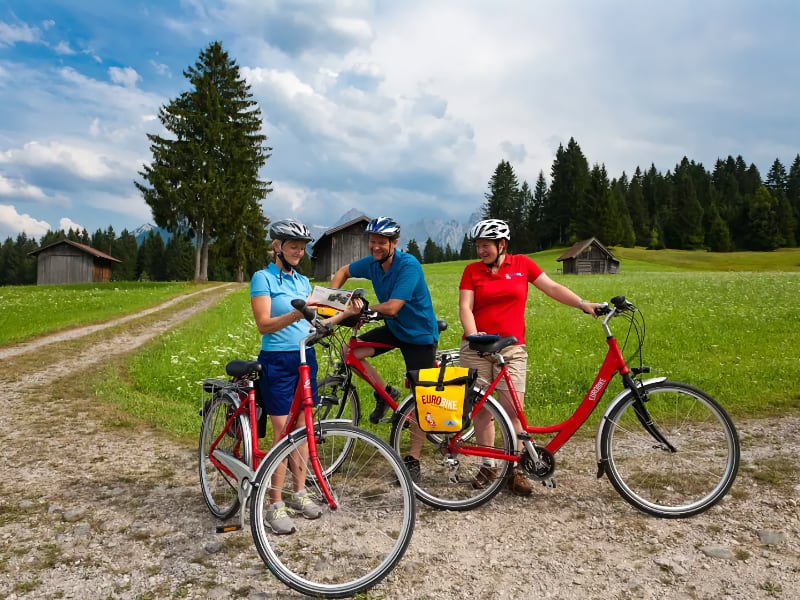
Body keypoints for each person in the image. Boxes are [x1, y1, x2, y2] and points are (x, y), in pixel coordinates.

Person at [458, 219, 602, 497]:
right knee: (483, 410)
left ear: (502, 245)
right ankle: (487, 466)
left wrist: (583, 304)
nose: (480, 251)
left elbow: (552, 287)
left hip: (512, 348)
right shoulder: (471, 271)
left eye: (485, 246)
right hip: (477, 348)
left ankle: (515, 469)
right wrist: (474, 336)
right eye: (477, 246)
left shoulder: (522, 265)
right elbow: (466, 306)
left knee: (513, 410)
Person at [251, 218, 363, 534]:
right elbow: (264, 324)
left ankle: (299, 493)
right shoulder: (263, 278)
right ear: (277, 247)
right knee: (283, 434)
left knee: (304, 430)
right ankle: (274, 504)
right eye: (293, 246)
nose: (299, 251)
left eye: (302, 247)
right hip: (277, 361)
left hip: (305, 358)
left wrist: (347, 314)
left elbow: (316, 323)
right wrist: (295, 314)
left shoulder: (302, 282)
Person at [329, 216, 439, 478]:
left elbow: (392, 307)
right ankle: (385, 393)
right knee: (350, 354)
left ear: (394, 243)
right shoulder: (373, 264)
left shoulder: (408, 266)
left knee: (420, 397)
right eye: (372, 241)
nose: (375, 246)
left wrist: (363, 310)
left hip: (419, 334)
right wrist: (331, 302)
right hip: (396, 329)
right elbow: (343, 271)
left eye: (381, 242)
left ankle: (413, 458)